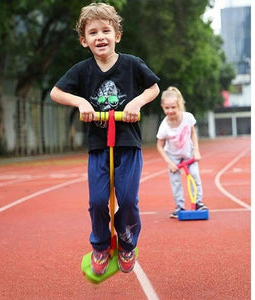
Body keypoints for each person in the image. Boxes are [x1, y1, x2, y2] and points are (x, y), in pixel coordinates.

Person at [50, 3, 160, 275]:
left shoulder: (132, 64)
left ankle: (126, 243)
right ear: (84, 40)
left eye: (106, 30)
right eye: (93, 32)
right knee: (98, 201)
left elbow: (153, 88)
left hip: (128, 144)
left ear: (117, 35)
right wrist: (81, 103)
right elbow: (55, 93)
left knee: (128, 199)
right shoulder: (82, 70)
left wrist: (135, 103)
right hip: (99, 146)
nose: (100, 36)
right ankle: (100, 245)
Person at [156, 87, 208, 219]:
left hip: (188, 153)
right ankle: (179, 206)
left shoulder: (188, 118)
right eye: (167, 108)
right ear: (162, 107)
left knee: (195, 175)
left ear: (179, 105)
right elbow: (160, 146)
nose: (170, 111)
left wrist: (196, 151)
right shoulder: (164, 126)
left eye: (173, 107)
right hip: (173, 156)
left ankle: (198, 203)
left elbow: (193, 134)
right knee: (175, 181)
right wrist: (170, 163)